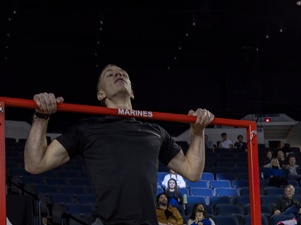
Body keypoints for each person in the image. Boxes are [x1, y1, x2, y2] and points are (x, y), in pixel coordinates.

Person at [23, 65, 215, 225]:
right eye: (110, 74)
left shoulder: (155, 131)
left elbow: (193, 172)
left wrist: (198, 132)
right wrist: (41, 117)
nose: (119, 74)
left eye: (123, 74)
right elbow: (35, 164)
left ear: (132, 92)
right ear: (101, 94)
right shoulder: (87, 129)